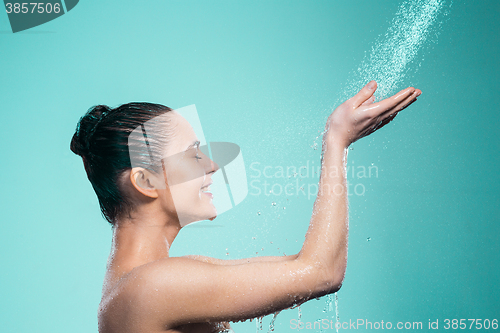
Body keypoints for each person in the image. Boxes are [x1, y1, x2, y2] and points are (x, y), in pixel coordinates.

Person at [70, 81, 421, 333]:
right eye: (193, 153)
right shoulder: (148, 288)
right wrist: (337, 141)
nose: (210, 165)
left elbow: (307, 265)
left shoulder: (147, 282)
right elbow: (321, 272)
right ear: (145, 182)